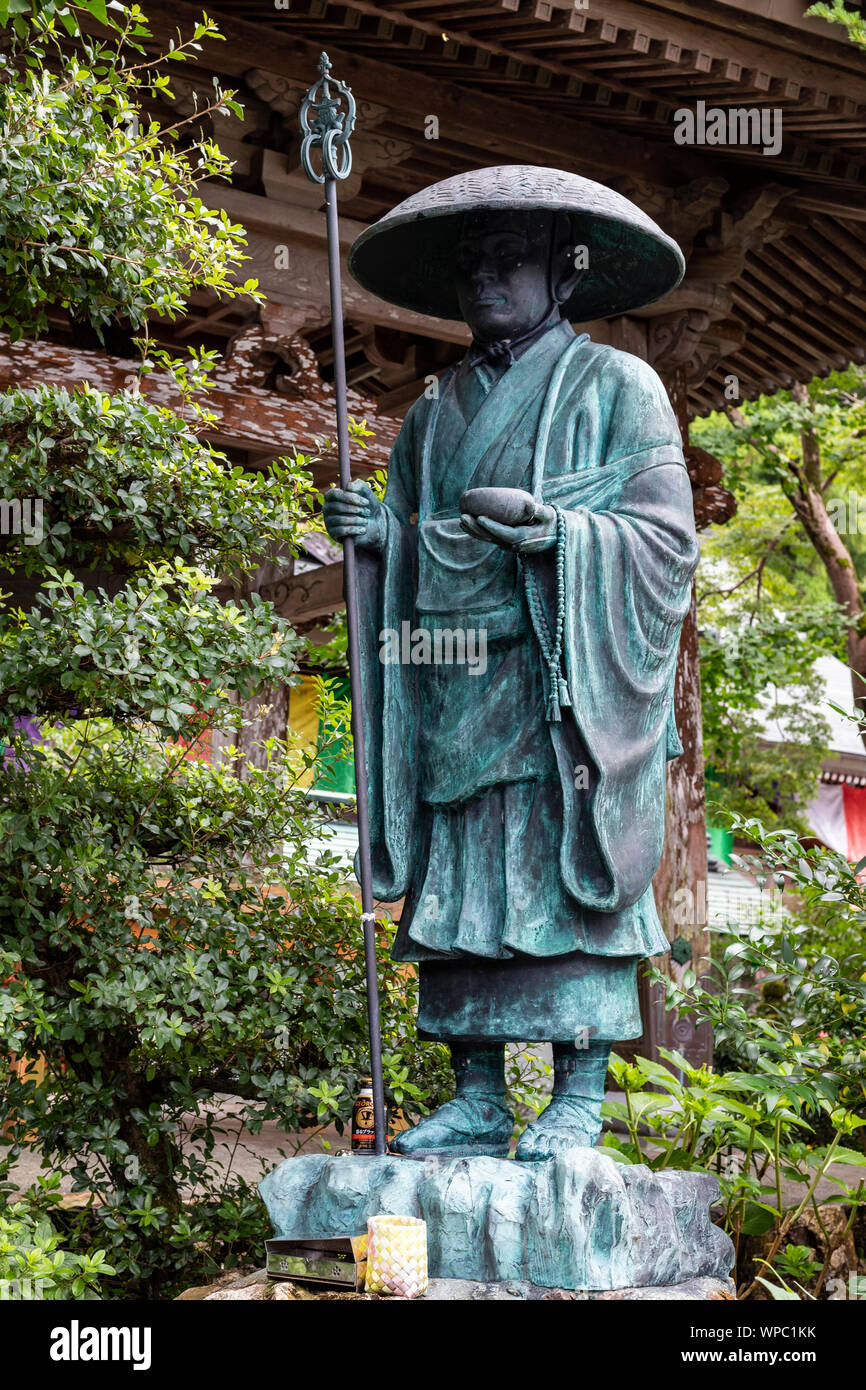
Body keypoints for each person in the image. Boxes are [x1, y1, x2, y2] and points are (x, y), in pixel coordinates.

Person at [323, 166, 700, 1160]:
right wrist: (375, 539)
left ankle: (576, 1093)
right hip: (453, 686)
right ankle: (478, 1092)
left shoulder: (619, 385)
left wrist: (560, 536)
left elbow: (664, 543)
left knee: (569, 887)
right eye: (471, 261)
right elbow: (409, 542)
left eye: (509, 257)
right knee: (461, 892)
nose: (485, 277)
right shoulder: (431, 411)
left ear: (562, 273)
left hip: (563, 684)